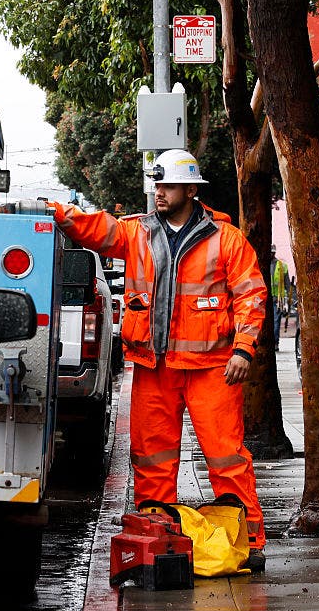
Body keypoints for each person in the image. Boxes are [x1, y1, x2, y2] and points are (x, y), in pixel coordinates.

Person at [38, 148, 269, 572]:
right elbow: (96, 228)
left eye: (167, 186)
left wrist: (243, 349)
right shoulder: (137, 233)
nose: (159, 193)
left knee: (226, 457)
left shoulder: (226, 239)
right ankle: (156, 536)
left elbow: (251, 294)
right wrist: (55, 211)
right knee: (152, 459)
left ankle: (249, 540)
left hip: (211, 367)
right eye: (157, 185)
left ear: (191, 190)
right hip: (154, 367)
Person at [271, 247, 290, 350]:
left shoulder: (282, 266)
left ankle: (275, 343)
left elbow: (287, 285)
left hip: (278, 300)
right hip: (264, 299)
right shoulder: (261, 264)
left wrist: (287, 301)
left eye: (272, 253)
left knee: (276, 322)